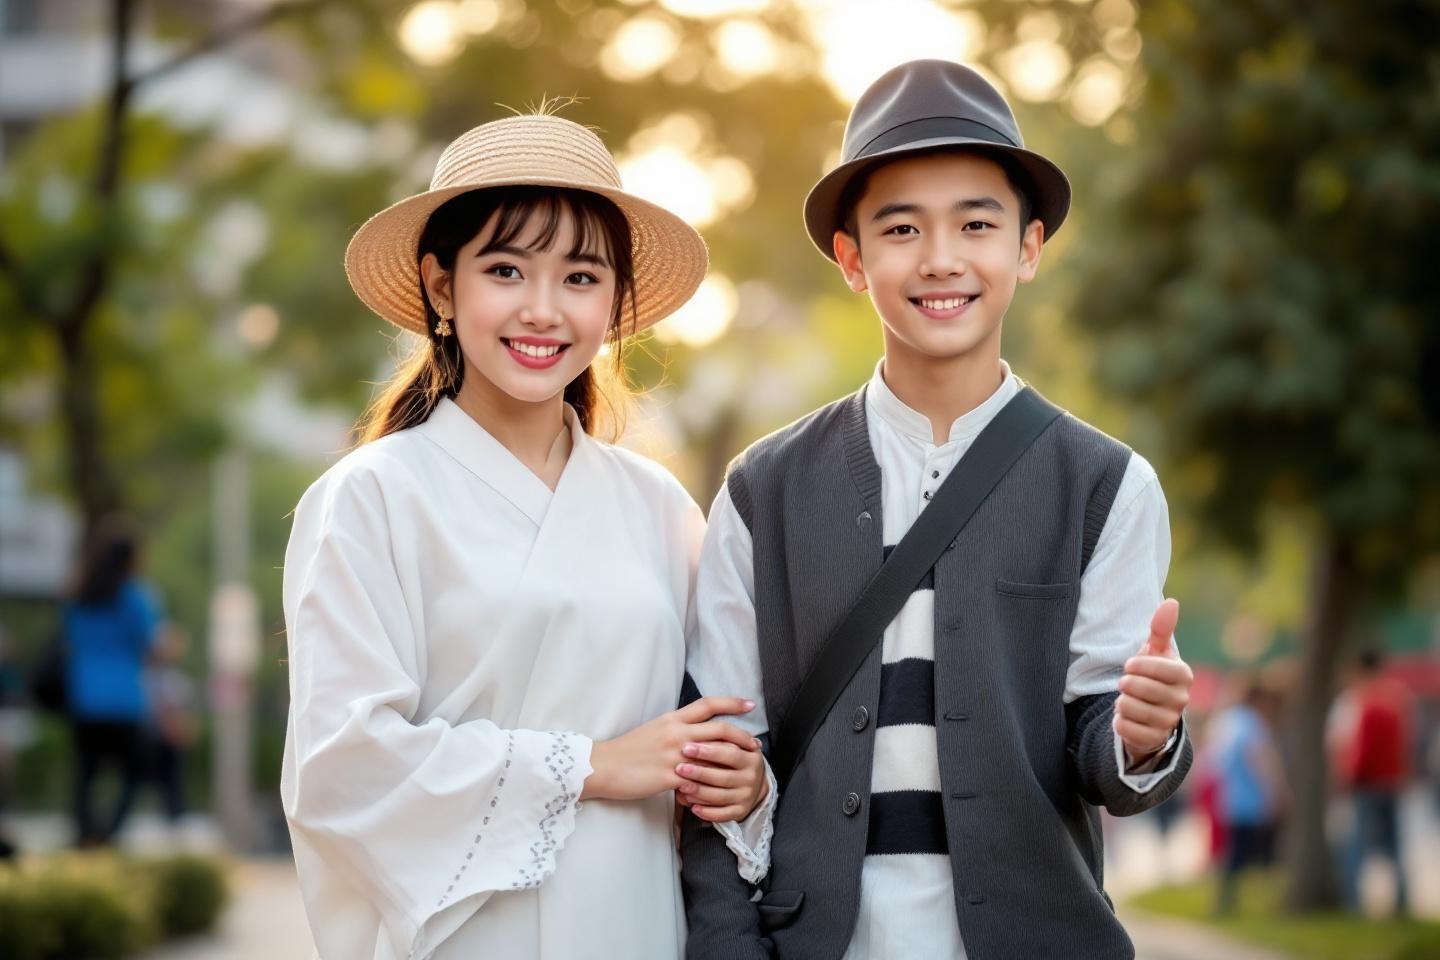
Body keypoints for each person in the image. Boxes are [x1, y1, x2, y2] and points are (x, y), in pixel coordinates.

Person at [680, 60, 1194, 959]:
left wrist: (1142, 738)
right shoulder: (761, 490)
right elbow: (719, 763)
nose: (942, 257)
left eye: (977, 223)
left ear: (1028, 248)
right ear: (853, 258)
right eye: (902, 227)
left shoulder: (1107, 484)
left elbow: (1103, 750)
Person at [281, 111, 774, 960]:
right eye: (506, 269)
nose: (543, 311)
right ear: (443, 287)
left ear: (615, 302)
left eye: (581, 277)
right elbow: (342, 768)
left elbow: (728, 716)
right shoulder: (369, 498)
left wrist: (749, 780)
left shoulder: (661, 508)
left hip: (639, 926)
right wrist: (591, 765)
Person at [63, 515, 163, 847]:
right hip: (123, 698)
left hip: (84, 695)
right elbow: (151, 645)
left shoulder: (78, 593)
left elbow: (69, 640)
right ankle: (109, 833)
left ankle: (84, 834)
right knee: (134, 772)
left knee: (86, 773)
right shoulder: (134, 597)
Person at [1330, 649, 1412, 916]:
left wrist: (1348, 777)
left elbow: (1362, 749)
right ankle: (1401, 900)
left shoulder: (1366, 701)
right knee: (1395, 845)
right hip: (1392, 780)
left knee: (1357, 845)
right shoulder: (1398, 698)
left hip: (1366, 783)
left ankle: (1353, 901)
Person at [1208, 679, 1285, 914]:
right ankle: (1266, 903)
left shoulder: (1229, 721)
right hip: (1252, 800)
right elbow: (1259, 758)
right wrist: (1275, 790)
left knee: (1235, 855)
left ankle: (1225, 902)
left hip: (1232, 797)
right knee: (1261, 855)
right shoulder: (1252, 723)